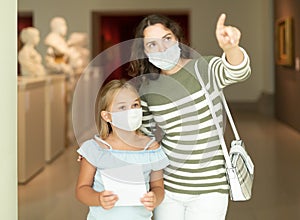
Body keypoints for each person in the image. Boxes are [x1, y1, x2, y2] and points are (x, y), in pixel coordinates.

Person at [128, 13, 251, 220]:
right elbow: (144, 139)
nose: (162, 48)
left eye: (167, 39)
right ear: (144, 51)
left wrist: (231, 49)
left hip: (211, 187)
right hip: (167, 187)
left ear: (177, 38)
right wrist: (101, 151)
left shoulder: (203, 68)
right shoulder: (147, 88)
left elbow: (238, 71)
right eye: (152, 44)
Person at [75, 79, 169, 220]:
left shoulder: (151, 148)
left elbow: (158, 187)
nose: (131, 111)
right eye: (122, 107)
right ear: (106, 116)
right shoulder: (94, 149)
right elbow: (82, 189)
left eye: (135, 105)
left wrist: (155, 198)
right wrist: (98, 199)